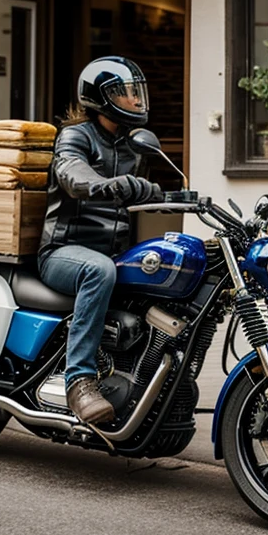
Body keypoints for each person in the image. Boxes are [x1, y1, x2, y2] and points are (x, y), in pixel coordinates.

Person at [37, 56, 163, 425]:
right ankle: (79, 381)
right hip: (64, 253)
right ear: (101, 98)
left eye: (138, 93)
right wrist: (109, 185)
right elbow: (73, 175)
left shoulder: (134, 144)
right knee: (99, 270)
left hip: (112, 254)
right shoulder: (76, 136)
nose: (137, 100)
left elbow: (142, 197)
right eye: (126, 93)